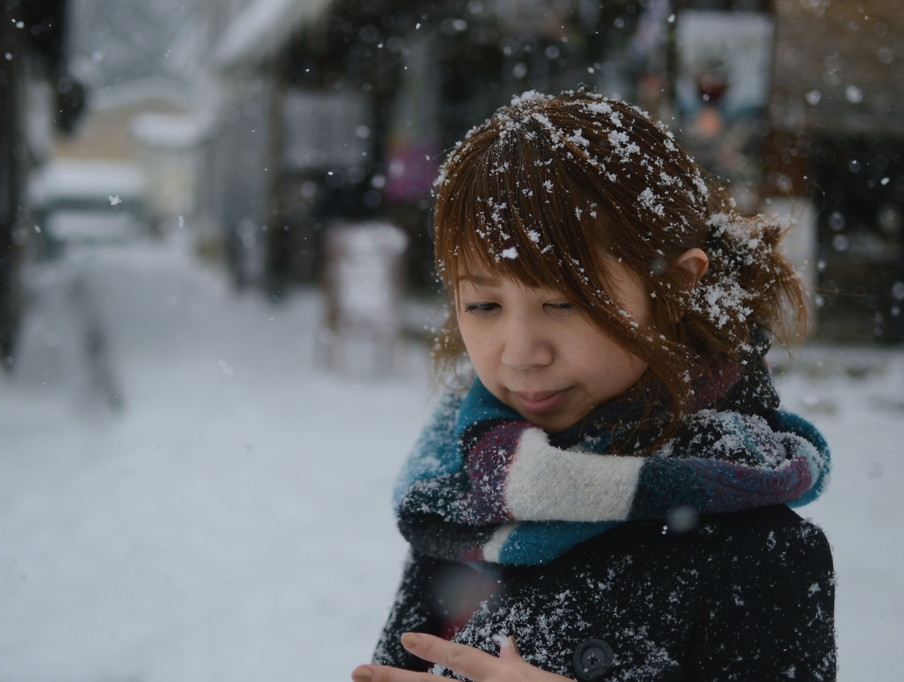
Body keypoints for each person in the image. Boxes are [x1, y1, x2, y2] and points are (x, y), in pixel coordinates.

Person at [352, 91, 834, 682]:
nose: (521, 352)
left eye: (564, 302)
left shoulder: (759, 552)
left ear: (676, 288)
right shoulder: (461, 503)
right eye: (483, 304)